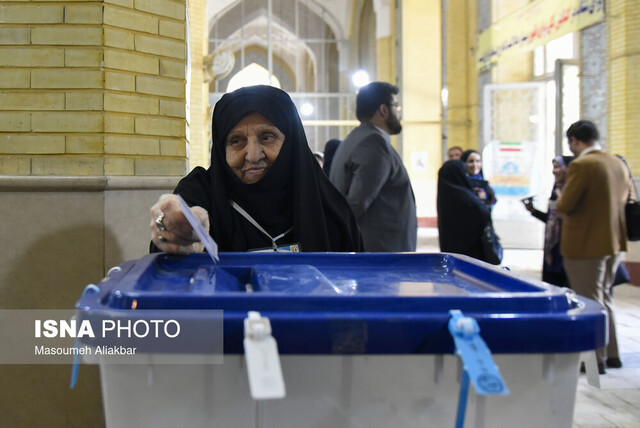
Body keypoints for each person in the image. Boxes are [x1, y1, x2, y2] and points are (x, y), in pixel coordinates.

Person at [149, 85, 363, 254]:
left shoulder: (329, 208)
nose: (253, 155)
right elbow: (179, 224)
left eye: (267, 137)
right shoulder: (202, 190)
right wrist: (179, 229)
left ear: (292, 141)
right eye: (236, 141)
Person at [557, 120, 629, 374]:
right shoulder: (616, 162)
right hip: (614, 242)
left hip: (586, 244)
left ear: (575, 141)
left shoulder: (582, 165)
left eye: (571, 143)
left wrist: (559, 199)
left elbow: (565, 205)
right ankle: (612, 354)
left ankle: (593, 359)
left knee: (588, 300)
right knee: (605, 298)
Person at [329, 81, 417, 252]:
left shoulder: (356, 138)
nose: (398, 112)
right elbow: (357, 202)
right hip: (380, 251)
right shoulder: (374, 143)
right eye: (396, 106)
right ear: (383, 110)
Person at [522, 156, 573, 287]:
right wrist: (533, 211)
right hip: (553, 247)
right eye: (553, 167)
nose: (554, 171)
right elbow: (551, 220)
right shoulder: (556, 190)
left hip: (567, 245)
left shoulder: (572, 191)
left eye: (557, 167)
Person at [437, 160, 492, 261]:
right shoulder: (464, 196)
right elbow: (483, 213)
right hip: (470, 250)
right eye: (465, 172)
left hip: (452, 247)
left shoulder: (446, 192)